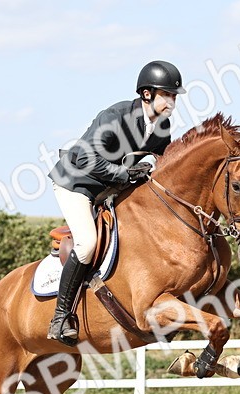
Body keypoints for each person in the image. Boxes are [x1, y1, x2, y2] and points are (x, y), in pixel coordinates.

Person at [45, 60, 186, 346]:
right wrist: (125, 173)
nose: (172, 101)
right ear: (147, 94)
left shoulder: (162, 126)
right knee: (87, 243)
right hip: (76, 184)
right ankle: (60, 317)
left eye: (174, 96)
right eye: (167, 95)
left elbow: (165, 164)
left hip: (110, 187)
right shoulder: (115, 116)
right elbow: (86, 158)